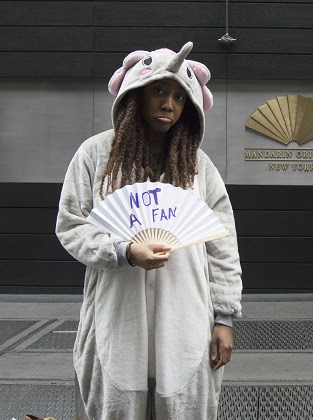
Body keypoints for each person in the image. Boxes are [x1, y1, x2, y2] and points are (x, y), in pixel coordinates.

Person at [55, 42, 243, 419]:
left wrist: (223, 317)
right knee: (116, 404)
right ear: (135, 94)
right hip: (117, 313)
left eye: (178, 95)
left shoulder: (199, 168)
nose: (168, 104)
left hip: (186, 315)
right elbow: (71, 225)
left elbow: (222, 246)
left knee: (183, 404)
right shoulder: (95, 155)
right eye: (158, 90)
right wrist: (122, 252)